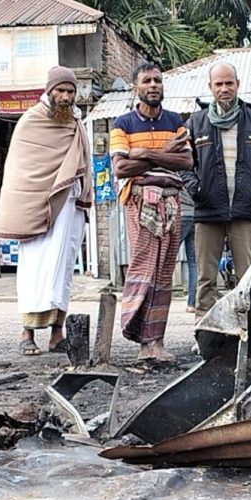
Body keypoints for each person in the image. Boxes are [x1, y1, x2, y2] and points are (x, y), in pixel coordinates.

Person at [0, 67, 93, 356]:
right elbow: (23, 171)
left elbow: (81, 160)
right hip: (38, 208)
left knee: (62, 271)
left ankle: (56, 335)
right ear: (49, 91)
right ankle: (27, 333)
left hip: (69, 207)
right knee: (35, 268)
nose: (65, 97)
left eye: (70, 92)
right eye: (60, 90)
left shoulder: (76, 123)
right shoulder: (31, 121)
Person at [110, 62, 194, 362]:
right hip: (140, 201)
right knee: (144, 268)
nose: (154, 85)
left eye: (158, 80)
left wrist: (144, 153)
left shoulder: (176, 121)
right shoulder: (123, 123)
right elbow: (121, 168)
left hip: (172, 201)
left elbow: (186, 163)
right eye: (147, 80)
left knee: (164, 274)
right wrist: (165, 154)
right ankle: (140, 338)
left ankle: (156, 341)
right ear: (137, 87)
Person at [183, 62, 251, 316]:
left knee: (247, 277)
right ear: (210, 87)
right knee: (206, 278)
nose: (224, 89)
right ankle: (203, 333)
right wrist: (195, 188)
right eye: (219, 84)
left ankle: (244, 331)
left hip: (244, 212)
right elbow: (183, 163)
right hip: (207, 211)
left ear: (238, 84)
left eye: (229, 83)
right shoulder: (196, 122)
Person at [179, 187, 197, 313]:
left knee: (167, 260)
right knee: (193, 263)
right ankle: (192, 304)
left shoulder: (179, 170)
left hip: (181, 215)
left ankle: (160, 300)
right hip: (196, 216)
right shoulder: (198, 173)